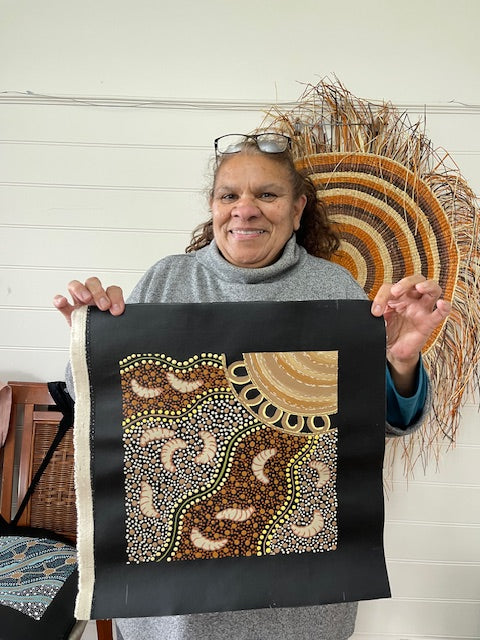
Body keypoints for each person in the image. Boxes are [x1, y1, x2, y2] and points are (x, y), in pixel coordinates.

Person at [54, 132, 451, 640]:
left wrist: (400, 363)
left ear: (298, 208)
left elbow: (379, 424)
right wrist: (85, 341)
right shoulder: (166, 282)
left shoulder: (333, 290)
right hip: (176, 594)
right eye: (229, 195)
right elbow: (100, 410)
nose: (245, 210)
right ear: (213, 207)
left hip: (300, 589)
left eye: (267, 194)